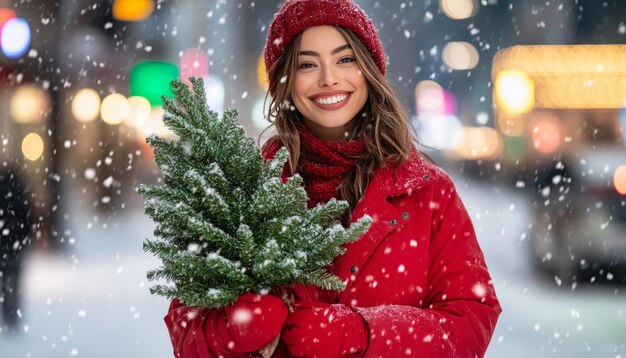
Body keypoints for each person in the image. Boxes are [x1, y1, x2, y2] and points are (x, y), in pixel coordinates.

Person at [164, 0, 501, 357]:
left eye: (345, 59)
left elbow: (471, 322)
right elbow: (186, 327)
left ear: (368, 71)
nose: (328, 78)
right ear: (284, 81)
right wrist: (230, 331)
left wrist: (361, 332)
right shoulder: (241, 189)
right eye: (307, 64)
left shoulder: (427, 192)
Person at [0, 167, 32, 332]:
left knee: (5, 281)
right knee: (14, 279)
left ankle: (7, 313)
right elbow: (27, 215)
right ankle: (12, 314)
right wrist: (26, 237)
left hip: (4, 245)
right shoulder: (18, 189)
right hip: (15, 244)